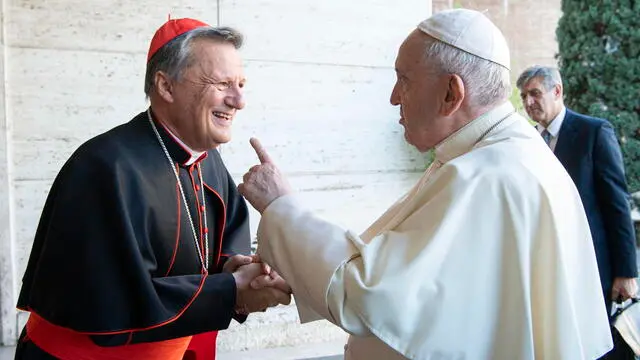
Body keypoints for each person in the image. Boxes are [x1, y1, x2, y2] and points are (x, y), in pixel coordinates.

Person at [238, 9, 614, 360]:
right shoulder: (494, 154)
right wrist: (296, 266)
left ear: (452, 93)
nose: (393, 97)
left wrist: (281, 207)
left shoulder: (487, 174)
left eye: (404, 80)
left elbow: (371, 295)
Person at [14, 18, 290, 360]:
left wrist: (237, 269)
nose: (238, 100)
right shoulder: (104, 166)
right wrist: (232, 290)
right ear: (166, 86)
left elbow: (211, 252)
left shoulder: (207, 158)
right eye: (222, 83)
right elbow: (114, 301)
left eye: (241, 84)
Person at [517, 65, 639, 359]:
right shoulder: (527, 141)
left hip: (594, 261)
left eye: (535, 93)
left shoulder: (594, 131)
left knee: (600, 341)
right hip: (548, 263)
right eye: (523, 97)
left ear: (557, 91)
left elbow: (616, 205)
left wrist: (626, 272)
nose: (529, 102)